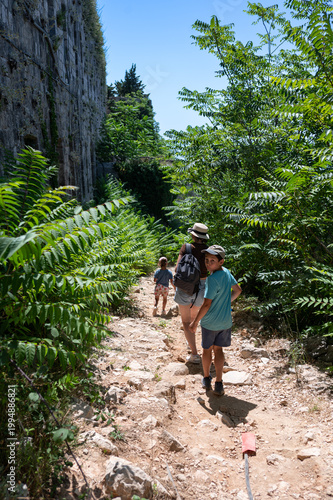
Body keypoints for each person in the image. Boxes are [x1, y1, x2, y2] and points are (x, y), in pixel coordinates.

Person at [189, 245, 242, 395]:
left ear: (221, 261)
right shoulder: (227, 273)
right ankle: (219, 382)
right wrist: (226, 303)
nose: (208, 263)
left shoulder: (212, 279)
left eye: (212, 260)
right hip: (225, 322)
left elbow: (206, 304)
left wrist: (195, 322)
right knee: (218, 350)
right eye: (206, 260)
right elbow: (238, 290)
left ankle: (206, 378)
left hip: (210, 322)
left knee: (207, 350)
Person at [174, 223, 209, 363]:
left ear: (193, 235)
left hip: (185, 286)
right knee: (194, 319)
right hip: (202, 286)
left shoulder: (186, 247)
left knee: (185, 320)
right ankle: (192, 341)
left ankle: (194, 354)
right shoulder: (209, 251)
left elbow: (177, 268)